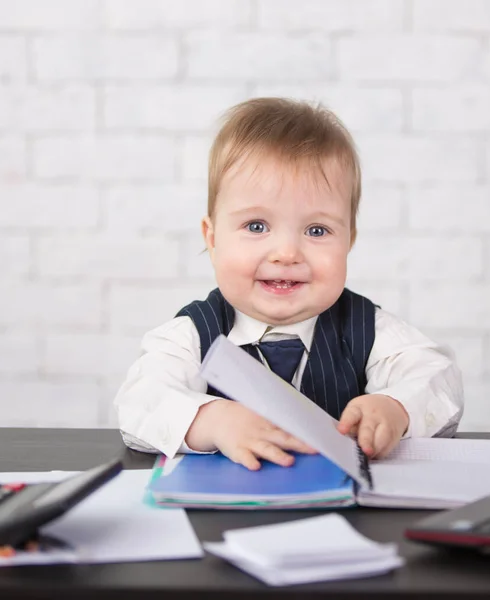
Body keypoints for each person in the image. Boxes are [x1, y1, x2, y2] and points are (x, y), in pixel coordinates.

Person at [114, 97, 464, 470]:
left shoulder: (367, 328)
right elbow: (141, 400)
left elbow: (437, 377)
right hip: (225, 510)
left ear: (349, 240)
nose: (286, 253)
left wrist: (396, 408)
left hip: (341, 512)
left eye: (317, 230)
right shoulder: (194, 334)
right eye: (256, 226)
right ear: (212, 239)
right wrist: (209, 420)